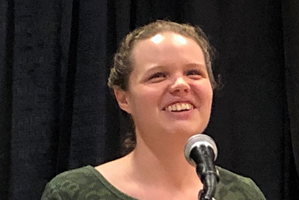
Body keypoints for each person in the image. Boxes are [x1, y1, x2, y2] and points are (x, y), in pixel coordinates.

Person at [41, 20, 266, 200]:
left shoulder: (243, 193)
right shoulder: (71, 193)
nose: (181, 85)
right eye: (158, 75)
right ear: (123, 98)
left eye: (193, 73)